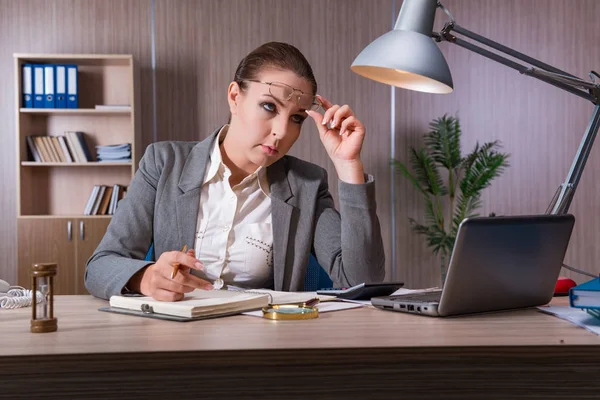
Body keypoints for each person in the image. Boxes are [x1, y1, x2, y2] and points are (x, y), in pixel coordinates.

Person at [85, 42, 385, 301]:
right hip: (177, 339)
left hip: (265, 346)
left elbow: (362, 279)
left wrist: (349, 166)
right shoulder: (164, 163)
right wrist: (147, 278)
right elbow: (100, 266)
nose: (282, 131)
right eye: (269, 106)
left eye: (296, 118)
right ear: (234, 96)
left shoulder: (306, 183)